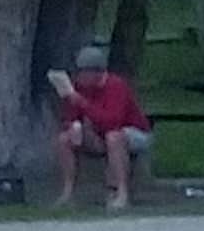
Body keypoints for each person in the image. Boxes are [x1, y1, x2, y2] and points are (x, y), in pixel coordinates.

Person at [48, 48, 151, 211]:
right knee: (64, 140)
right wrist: (74, 126)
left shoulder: (115, 86)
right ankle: (68, 192)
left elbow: (113, 121)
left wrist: (83, 104)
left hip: (132, 132)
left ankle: (122, 193)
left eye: (83, 73)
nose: (79, 77)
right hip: (98, 132)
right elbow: (70, 116)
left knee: (114, 137)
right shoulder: (80, 88)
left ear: (95, 72)